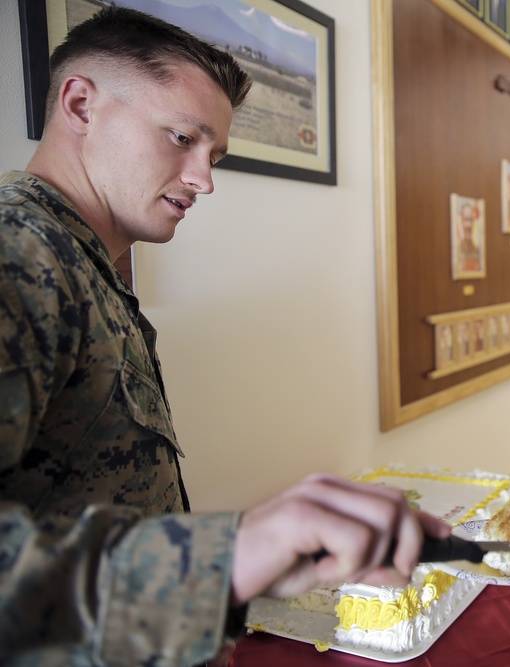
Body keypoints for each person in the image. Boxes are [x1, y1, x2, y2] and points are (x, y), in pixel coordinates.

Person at [0, 9, 450, 666]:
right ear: (79, 104)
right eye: (182, 137)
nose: (203, 178)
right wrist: (226, 555)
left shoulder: (85, 262)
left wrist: (238, 580)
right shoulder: (19, 254)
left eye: (214, 154)